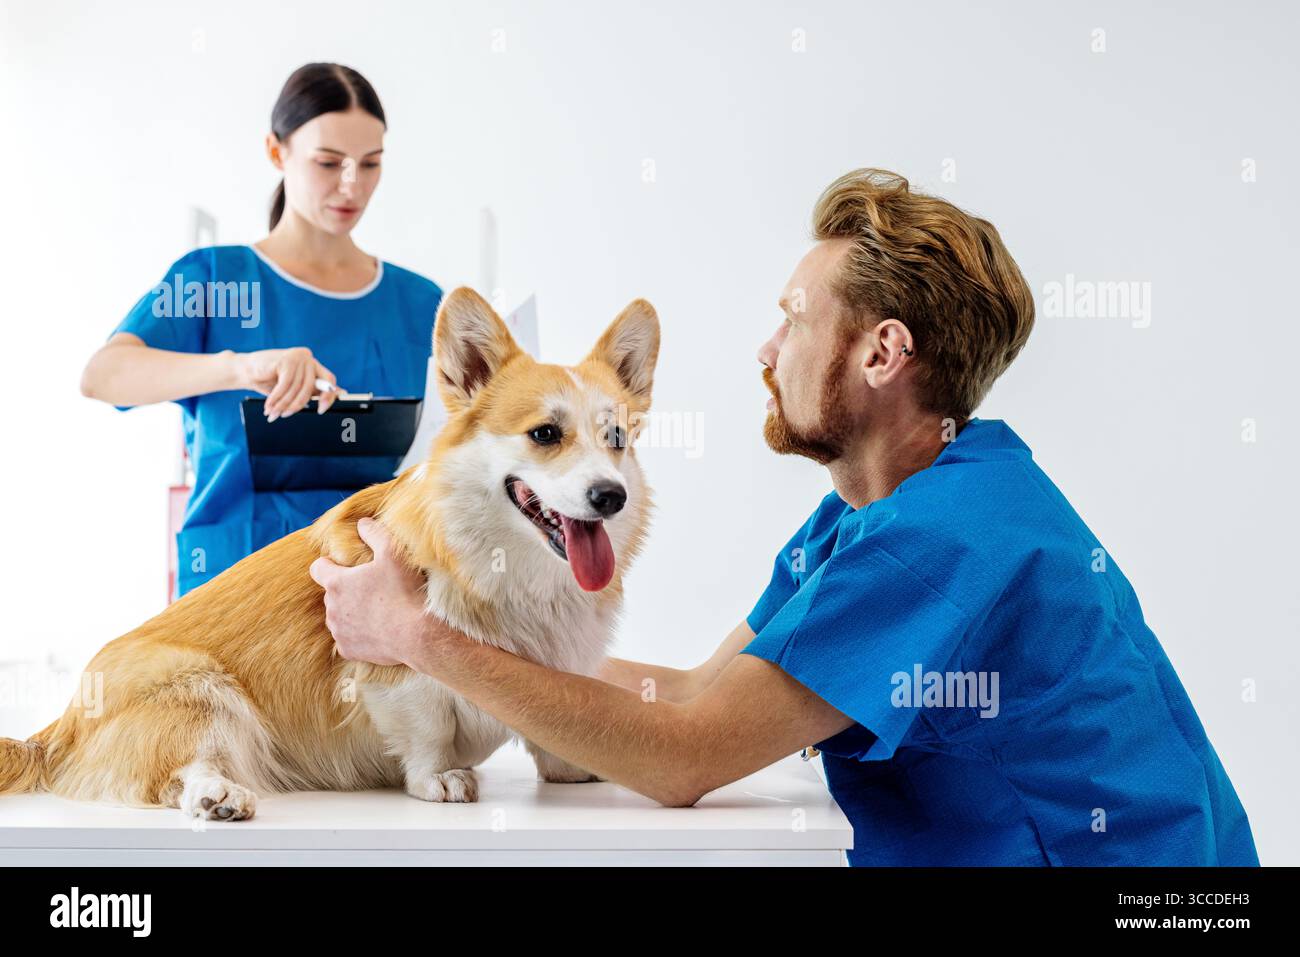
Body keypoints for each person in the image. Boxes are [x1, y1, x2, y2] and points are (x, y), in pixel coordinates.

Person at [308, 168, 1258, 866]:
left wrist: (420, 638)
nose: (767, 349)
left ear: (883, 353)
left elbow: (684, 757)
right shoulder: (863, 516)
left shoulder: (947, 538)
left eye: (795, 319)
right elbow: (687, 695)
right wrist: (468, 620)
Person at [81, 63, 442, 598]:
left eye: (370, 165)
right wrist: (237, 368)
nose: (352, 185)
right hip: (236, 594)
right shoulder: (214, 278)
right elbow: (103, 375)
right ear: (277, 152)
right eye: (328, 162)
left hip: (383, 597)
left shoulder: (421, 303)